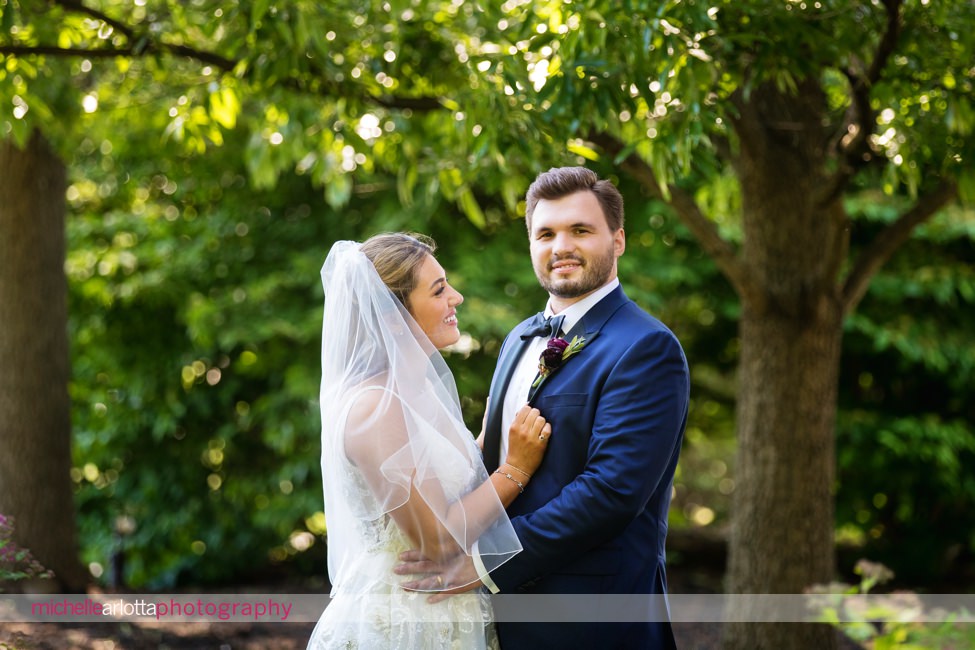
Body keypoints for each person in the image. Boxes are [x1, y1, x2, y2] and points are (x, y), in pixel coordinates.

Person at [397, 167, 689, 649]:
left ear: (618, 240)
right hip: (499, 616)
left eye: (580, 230)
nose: (561, 247)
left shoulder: (646, 347)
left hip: (593, 619)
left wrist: (487, 561)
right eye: (546, 233)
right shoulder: (518, 338)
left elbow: (612, 491)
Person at [307, 233, 553, 650]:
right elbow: (437, 540)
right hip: (403, 619)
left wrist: (485, 440)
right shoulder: (377, 406)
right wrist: (517, 468)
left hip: (442, 607)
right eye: (439, 290)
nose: (455, 297)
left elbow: (439, 485)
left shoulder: (413, 388)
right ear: (391, 316)